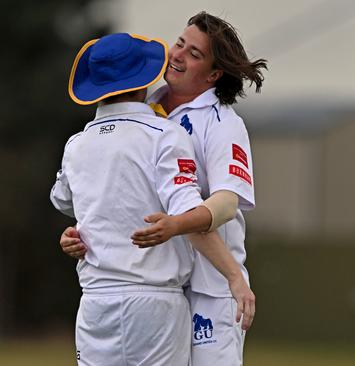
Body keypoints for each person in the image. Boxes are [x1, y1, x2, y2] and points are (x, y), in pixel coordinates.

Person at [60, 11, 267, 366]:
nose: (178, 54)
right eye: (180, 44)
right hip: (158, 284)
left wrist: (180, 228)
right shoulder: (143, 104)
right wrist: (81, 233)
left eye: (194, 54)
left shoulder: (224, 124)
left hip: (211, 285)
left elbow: (227, 204)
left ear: (214, 74)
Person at [51, 32, 218, 365]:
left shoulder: (76, 145)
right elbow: (187, 210)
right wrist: (233, 275)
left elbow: (63, 200)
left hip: (96, 304)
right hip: (156, 304)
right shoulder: (166, 135)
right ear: (144, 82)